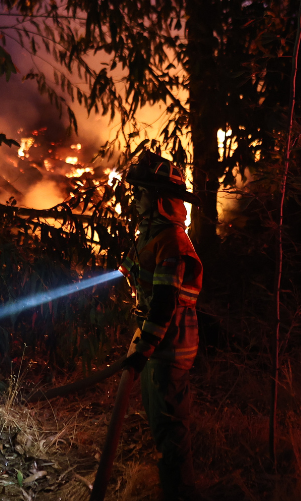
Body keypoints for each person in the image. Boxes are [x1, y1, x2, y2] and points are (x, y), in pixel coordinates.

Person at [119, 151, 203, 501]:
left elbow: (165, 302)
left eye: (140, 193)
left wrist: (142, 352)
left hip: (170, 349)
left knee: (171, 433)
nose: (135, 200)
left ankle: (181, 495)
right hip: (158, 347)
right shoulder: (153, 235)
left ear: (159, 200)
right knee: (160, 427)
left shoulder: (172, 241)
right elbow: (144, 276)